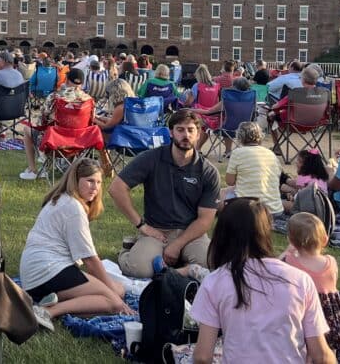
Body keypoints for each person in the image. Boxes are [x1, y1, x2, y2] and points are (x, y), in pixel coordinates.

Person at [190, 198, 334, 364]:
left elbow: (202, 357)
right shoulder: (301, 280)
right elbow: (321, 355)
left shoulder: (214, 282)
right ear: (266, 232)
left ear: (222, 235)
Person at [110, 109, 220, 278]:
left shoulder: (208, 171)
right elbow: (116, 188)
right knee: (140, 270)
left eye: (191, 130)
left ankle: (176, 269)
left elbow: (205, 220)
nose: (186, 135)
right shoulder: (151, 158)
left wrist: (177, 245)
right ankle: (127, 252)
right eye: (180, 129)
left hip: (191, 234)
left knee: (214, 266)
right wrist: (142, 226)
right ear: (171, 132)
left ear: (198, 134)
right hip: (156, 231)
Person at [19, 158, 133, 320]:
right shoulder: (73, 208)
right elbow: (90, 261)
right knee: (114, 302)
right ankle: (47, 312)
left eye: (99, 182)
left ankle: (52, 302)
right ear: (76, 181)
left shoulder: (61, 199)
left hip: (33, 277)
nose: (95, 187)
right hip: (48, 272)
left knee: (116, 290)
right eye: (90, 181)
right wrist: (113, 293)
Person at [280, 213, 340, 356]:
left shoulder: (289, 261)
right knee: (329, 347)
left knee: (307, 347)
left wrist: (287, 251)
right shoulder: (331, 262)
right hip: (329, 315)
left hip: (305, 314)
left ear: (291, 240)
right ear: (325, 240)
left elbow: (274, 266)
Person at [21, 68, 94, 182]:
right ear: (82, 83)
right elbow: (91, 121)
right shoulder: (89, 100)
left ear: (67, 80)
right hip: (80, 143)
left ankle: (32, 169)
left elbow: (43, 121)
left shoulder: (55, 97)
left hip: (56, 143)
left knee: (26, 129)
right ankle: (66, 165)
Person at [223, 121, 283, 215]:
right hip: (275, 210)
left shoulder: (238, 153)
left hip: (249, 211)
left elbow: (229, 181)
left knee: (222, 193)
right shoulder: (271, 154)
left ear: (240, 137)